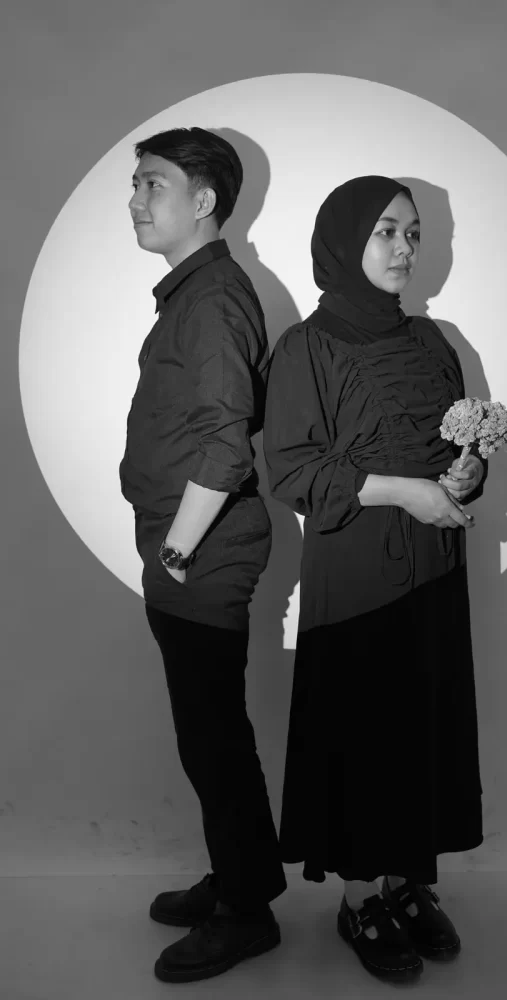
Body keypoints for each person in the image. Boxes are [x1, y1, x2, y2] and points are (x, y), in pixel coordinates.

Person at [263, 175, 487, 985]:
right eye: (386, 231)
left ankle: (403, 880)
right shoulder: (307, 347)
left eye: (414, 233)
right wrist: (403, 492)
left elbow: (455, 448)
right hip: (357, 570)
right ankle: (359, 896)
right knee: (364, 724)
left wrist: (465, 476)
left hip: (434, 564)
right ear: (344, 238)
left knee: (420, 719)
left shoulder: (434, 342)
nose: (404, 249)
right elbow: (292, 470)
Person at [120, 127, 286, 983]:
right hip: (188, 550)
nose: (136, 200)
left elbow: (226, 446)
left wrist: (177, 552)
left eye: (153, 184)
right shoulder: (196, 293)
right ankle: (238, 876)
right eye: (137, 184)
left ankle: (247, 912)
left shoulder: (214, 298)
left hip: (203, 555)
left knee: (214, 740)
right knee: (208, 735)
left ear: (204, 200)